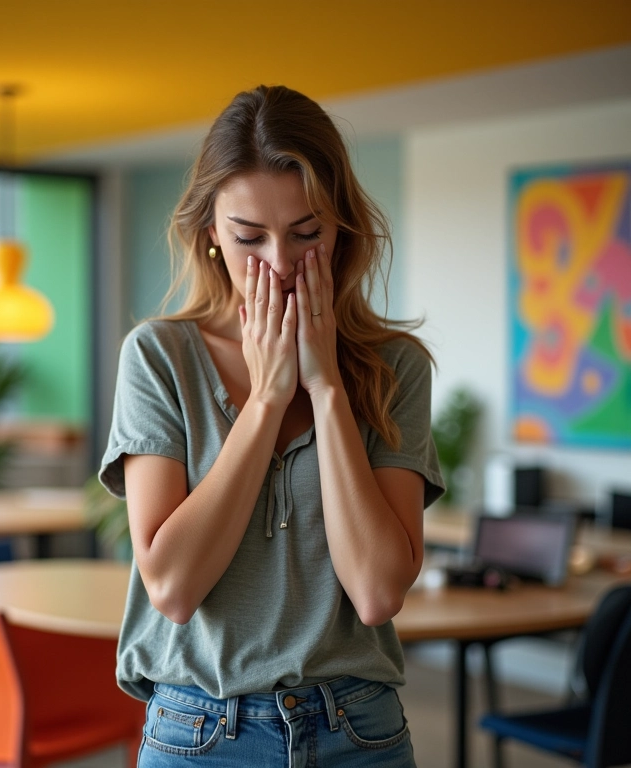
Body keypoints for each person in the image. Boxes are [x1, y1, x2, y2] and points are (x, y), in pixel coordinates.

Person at [100, 84, 445, 767]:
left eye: (306, 233)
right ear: (209, 235)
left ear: (341, 228)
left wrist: (325, 390)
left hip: (358, 731)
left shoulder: (393, 367)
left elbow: (378, 593)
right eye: (249, 237)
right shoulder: (158, 358)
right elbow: (172, 587)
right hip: (199, 733)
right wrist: (264, 402)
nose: (281, 265)